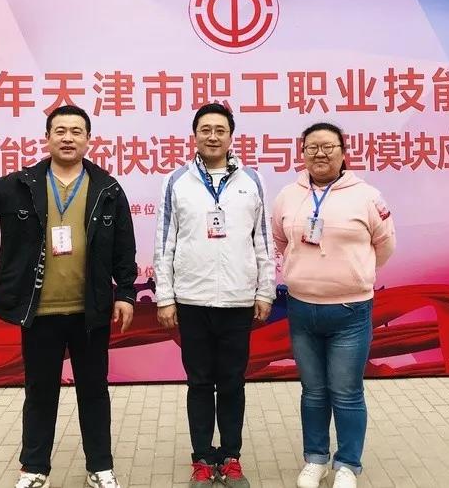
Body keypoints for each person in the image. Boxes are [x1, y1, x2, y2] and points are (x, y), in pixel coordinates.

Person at [0, 105, 137, 488]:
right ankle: (34, 469)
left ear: (88, 140)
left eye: (76, 131)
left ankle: (100, 467)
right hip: (39, 312)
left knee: (94, 392)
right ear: (47, 138)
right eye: (60, 131)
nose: (68, 138)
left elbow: (124, 248)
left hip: (90, 312)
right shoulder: (20, 185)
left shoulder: (107, 189)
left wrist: (125, 293)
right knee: (40, 393)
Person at [154, 103, 275, 488]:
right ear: (195, 136)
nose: (212, 136)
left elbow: (263, 241)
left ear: (231, 136)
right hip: (192, 300)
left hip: (238, 301)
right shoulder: (177, 181)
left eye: (220, 130)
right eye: (205, 129)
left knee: (233, 382)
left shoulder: (251, 180)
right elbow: (164, 242)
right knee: (200, 382)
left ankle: (232, 457)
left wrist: (265, 291)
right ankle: (203, 459)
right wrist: (165, 296)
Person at [271, 122, 396, 488]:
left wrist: (354, 274)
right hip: (301, 309)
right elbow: (280, 240)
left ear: (343, 152)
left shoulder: (367, 196)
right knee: (313, 391)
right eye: (312, 147)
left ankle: (347, 464)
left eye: (328, 147)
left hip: (350, 312)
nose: (320, 154)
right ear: (302, 153)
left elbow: (385, 245)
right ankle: (315, 459)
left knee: (346, 391)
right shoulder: (288, 196)